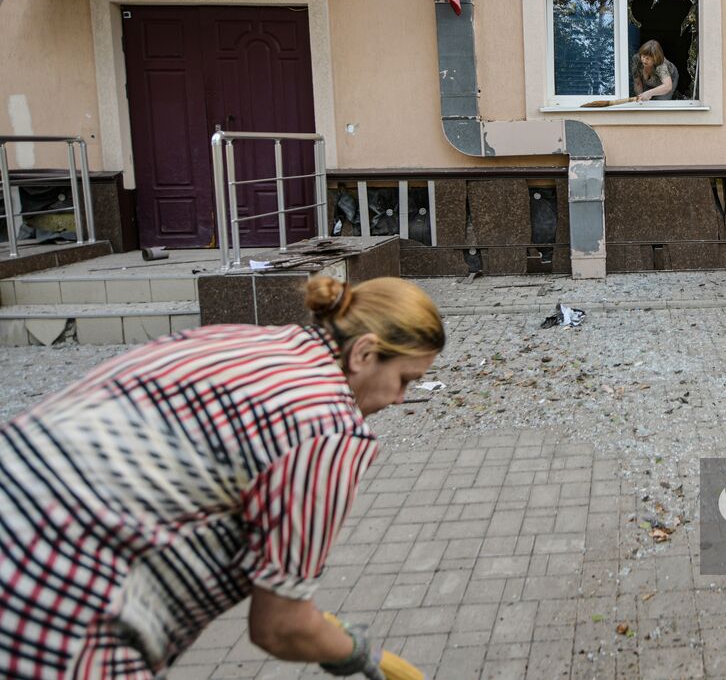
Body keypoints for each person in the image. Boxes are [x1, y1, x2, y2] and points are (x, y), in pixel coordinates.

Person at [0, 276, 445, 679]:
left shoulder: (243, 341)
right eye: (405, 379)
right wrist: (358, 653)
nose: (401, 398)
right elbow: (281, 627)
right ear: (364, 352)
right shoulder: (328, 427)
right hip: (45, 603)